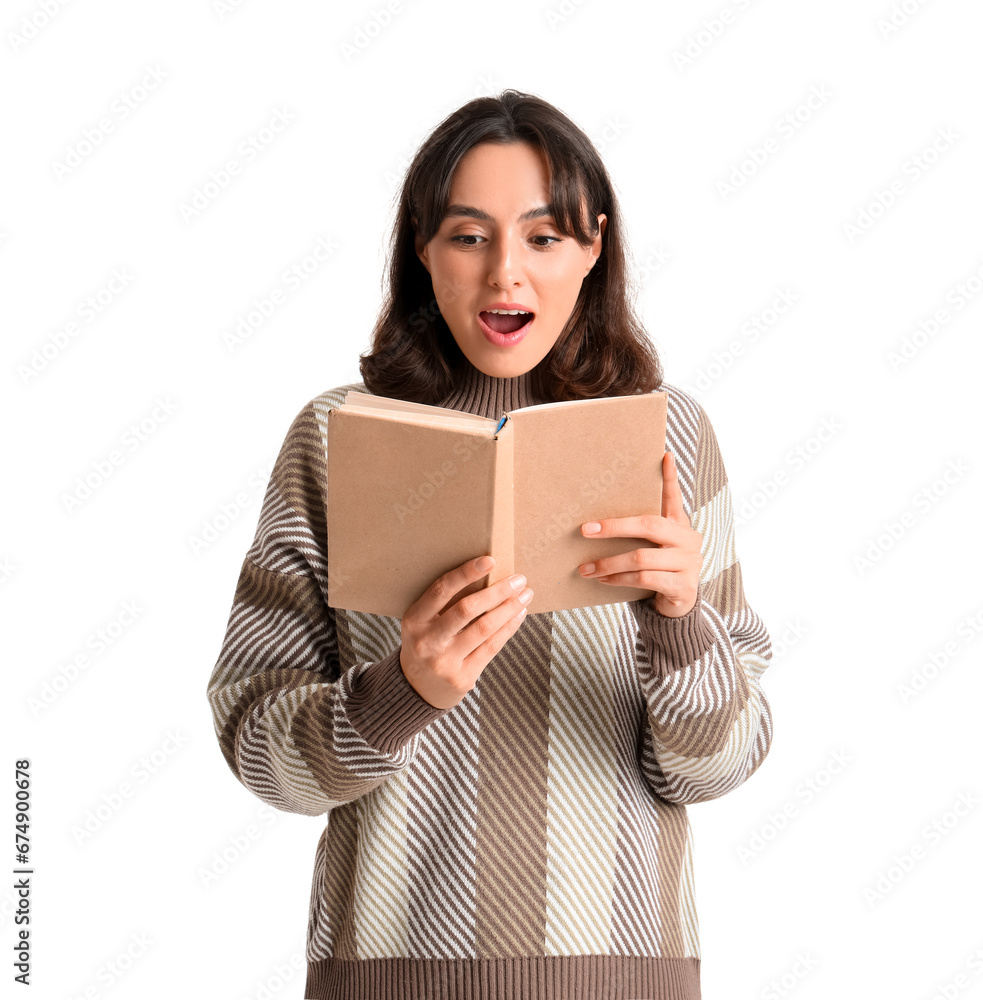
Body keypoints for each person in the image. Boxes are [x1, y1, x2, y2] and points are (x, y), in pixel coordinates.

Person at [206, 89, 774, 1000]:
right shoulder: (335, 438)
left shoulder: (667, 438)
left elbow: (721, 761)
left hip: (622, 979)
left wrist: (677, 624)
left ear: (593, 246)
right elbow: (255, 743)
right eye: (469, 236)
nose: (506, 273)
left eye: (543, 238)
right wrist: (401, 694)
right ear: (421, 249)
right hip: (389, 976)